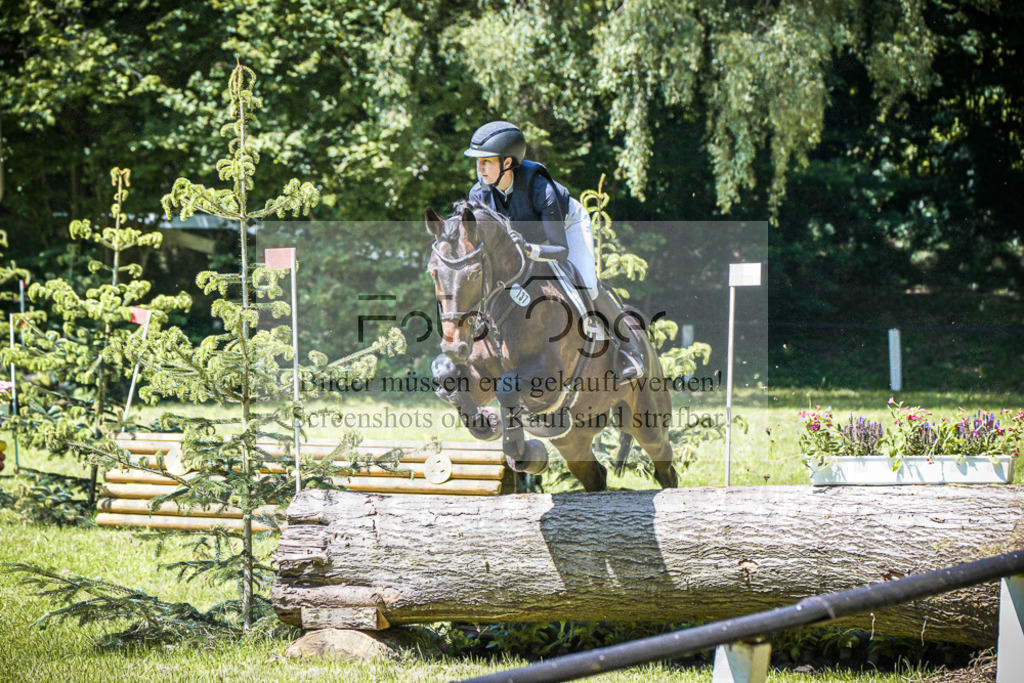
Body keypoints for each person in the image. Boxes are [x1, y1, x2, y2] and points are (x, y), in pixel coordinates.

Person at [463, 120, 645, 380]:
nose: (479, 168)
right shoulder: (478, 195)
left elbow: (559, 249)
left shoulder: (541, 189)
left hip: (565, 227)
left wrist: (527, 250)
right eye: (477, 161)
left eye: (486, 161)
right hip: (522, 238)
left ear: (507, 163)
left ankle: (630, 350)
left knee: (588, 285)